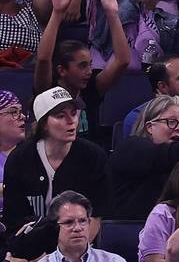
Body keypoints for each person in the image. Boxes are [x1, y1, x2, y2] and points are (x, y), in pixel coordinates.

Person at [3, 87, 108, 237]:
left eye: (73, 114)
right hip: (32, 248)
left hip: (80, 245)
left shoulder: (93, 156)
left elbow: (96, 215)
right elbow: (15, 220)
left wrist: (74, 252)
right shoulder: (20, 159)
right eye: (61, 116)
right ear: (44, 123)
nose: (71, 121)